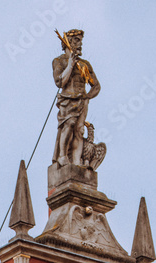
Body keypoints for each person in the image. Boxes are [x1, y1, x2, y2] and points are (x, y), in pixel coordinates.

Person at [52, 29, 100, 167]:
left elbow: (96, 86)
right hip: (67, 99)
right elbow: (60, 82)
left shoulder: (85, 64)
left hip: (82, 101)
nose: (80, 44)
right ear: (68, 42)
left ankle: (77, 161)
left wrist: (87, 97)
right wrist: (70, 64)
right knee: (69, 124)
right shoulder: (59, 61)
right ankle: (62, 156)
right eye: (77, 41)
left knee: (79, 130)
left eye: (81, 41)